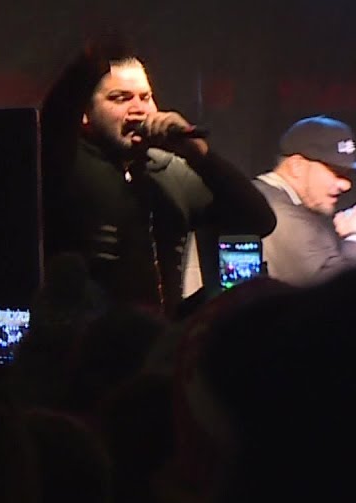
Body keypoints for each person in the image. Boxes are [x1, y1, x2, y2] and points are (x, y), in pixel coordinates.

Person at [41, 38, 276, 318]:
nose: (139, 109)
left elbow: (258, 220)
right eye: (120, 98)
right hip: (86, 340)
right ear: (85, 114)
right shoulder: (64, 167)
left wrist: (200, 156)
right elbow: (54, 121)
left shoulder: (167, 172)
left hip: (159, 339)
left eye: (145, 97)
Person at [252, 116, 356, 286]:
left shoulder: (286, 203)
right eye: (336, 172)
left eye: (347, 174)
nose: (346, 184)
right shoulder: (275, 211)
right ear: (297, 166)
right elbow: (328, 289)